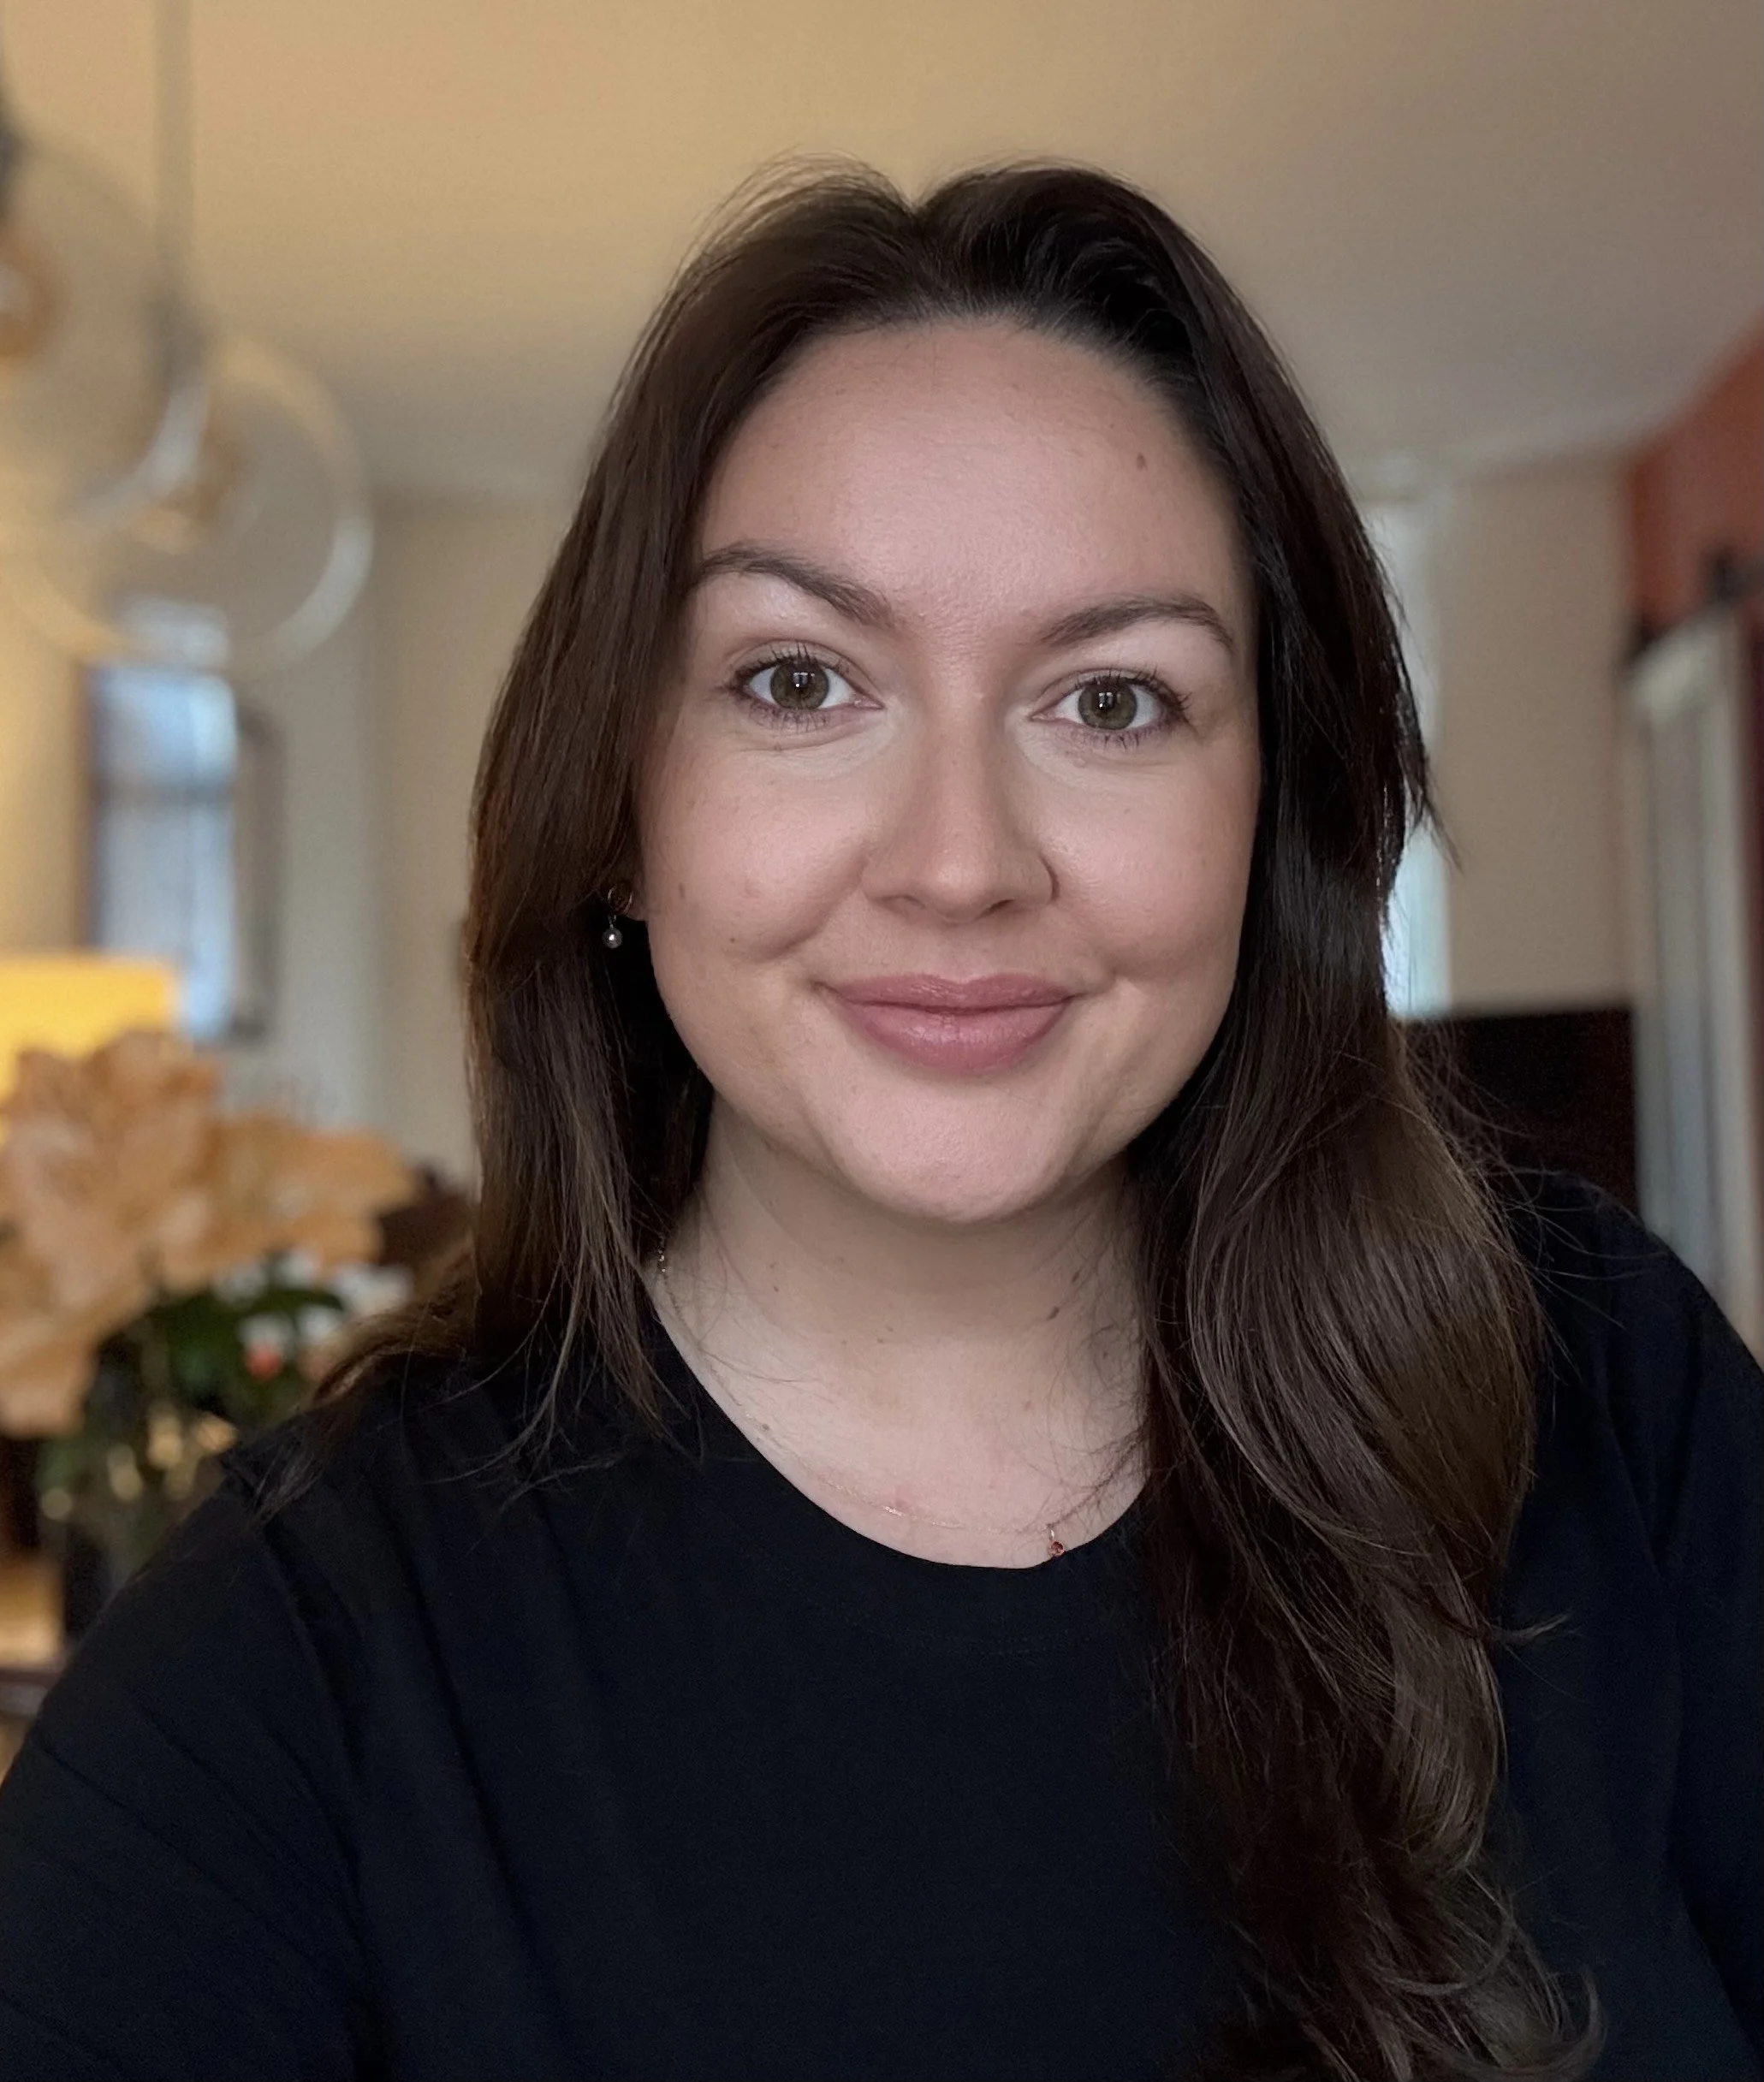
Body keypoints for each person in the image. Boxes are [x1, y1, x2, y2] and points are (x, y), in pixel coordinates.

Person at [0, 161, 1759, 2082]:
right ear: (619, 805)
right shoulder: (293, 1671)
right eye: (797, 679)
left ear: (1276, 818)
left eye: (1111, 701)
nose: (956, 863)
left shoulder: (1600, 1383)